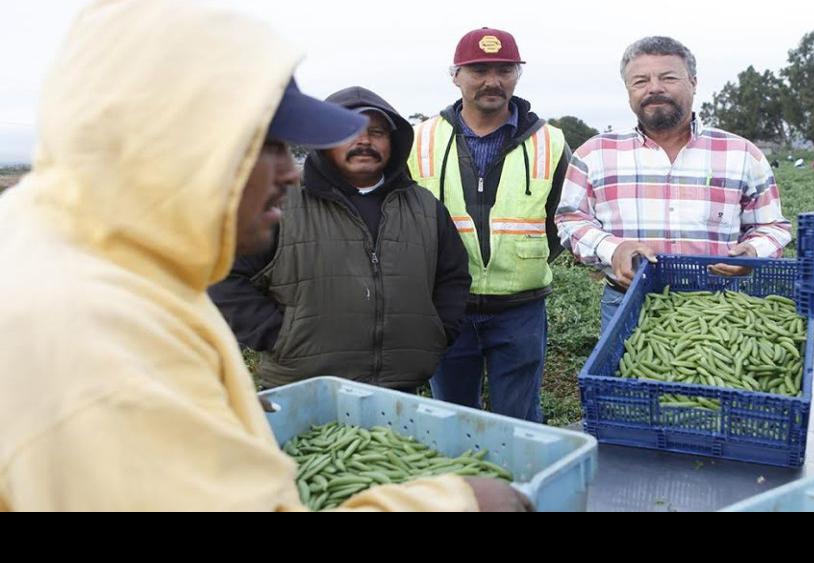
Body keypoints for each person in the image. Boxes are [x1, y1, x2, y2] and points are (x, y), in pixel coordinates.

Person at [0, 0, 528, 512]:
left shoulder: (89, 253)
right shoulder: (96, 338)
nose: (290, 172)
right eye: (270, 145)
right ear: (181, 139)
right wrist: (453, 502)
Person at [210, 86, 471, 392]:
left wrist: (436, 333)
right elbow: (222, 276)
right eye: (350, 130)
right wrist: (278, 336)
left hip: (399, 392)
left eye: (376, 132)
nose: (364, 140)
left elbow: (453, 278)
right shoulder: (280, 203)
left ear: (393, 141)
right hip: (304, 389)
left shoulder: (425, 208)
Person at [555, 36, 792, 332]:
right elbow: (569, 220)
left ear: (693, 83)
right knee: (629, 376)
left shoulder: (742, 153)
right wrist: (611, 248)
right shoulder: (594, 153)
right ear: (628, 90)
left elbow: (773, 227)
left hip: (721, 306)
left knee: (718, 379)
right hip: (628, 302)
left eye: (668, 77)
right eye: (640, 81)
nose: (654, 87)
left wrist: (753, 253)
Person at [407, 28, 570, 423]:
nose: (492, 81)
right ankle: (463, 487)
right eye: (479, 69)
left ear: (517, 74)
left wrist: (525, 259)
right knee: (452, 419)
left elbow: (561, 220)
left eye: (504, 69)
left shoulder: (550, 141)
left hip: (520, 310)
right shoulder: (419, 140)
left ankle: (520, 486)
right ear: (456, 75)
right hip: (445, 307)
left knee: (519, 420)